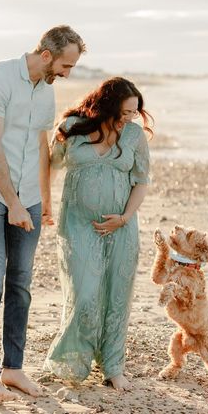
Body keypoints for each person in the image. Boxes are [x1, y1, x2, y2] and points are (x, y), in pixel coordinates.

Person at [0, 25, 86, 403]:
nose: (68, 73)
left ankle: (12, 368)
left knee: (21, 283)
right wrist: (12, 202)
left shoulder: (46, 91)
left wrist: (43, 198)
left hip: (28, 195)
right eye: (66, 64)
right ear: (47, 55)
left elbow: (40, 147)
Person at [44, 77, 152, 391]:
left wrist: (125, 217)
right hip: (78, 223)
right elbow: (49, 166)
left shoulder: (133, 136)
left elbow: (141, 180)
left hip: (122, 227)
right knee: (86, 294)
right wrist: (44, 205)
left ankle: (113, 366)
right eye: (125, 112)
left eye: (134, 113)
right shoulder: (72, 127)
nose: (130, 119)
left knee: (117, 297)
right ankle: (72, 360)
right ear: (106, 106)